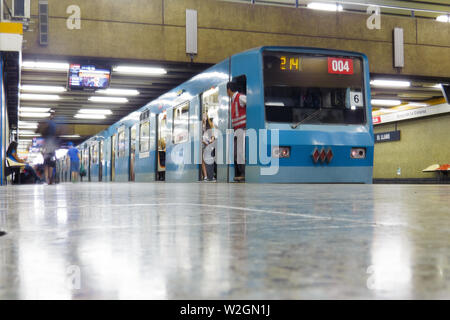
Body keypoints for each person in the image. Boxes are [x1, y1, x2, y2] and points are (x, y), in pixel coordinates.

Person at [227, 81, 247, 182]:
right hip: (237, 130)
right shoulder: (233, 100)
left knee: (241, 152)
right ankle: (240, 173)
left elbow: (250, 103)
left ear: (229, 90)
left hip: (243, 129)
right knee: (236, 153)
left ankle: (244, 174)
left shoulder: (240, 97)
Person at [38, 112, 58, 184]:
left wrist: (42, 152)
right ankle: (49, 178)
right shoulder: (54, 128)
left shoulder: (45, 136)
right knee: (50, 165)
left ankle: (47, 179)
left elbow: (43, 145)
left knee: (47, 165)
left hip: (47, 150)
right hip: (51, 150)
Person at [201, 114, 216, 181]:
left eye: (205, 116)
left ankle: (211, 175)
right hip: (203, 144)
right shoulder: (200, 126)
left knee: (210, 160)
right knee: (203, 160)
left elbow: (213, 135)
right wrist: (205, 143)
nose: (204, 117)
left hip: (209, 144)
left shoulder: (210, 125)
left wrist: (212, 140)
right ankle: (205, 176)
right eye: (203, 116)